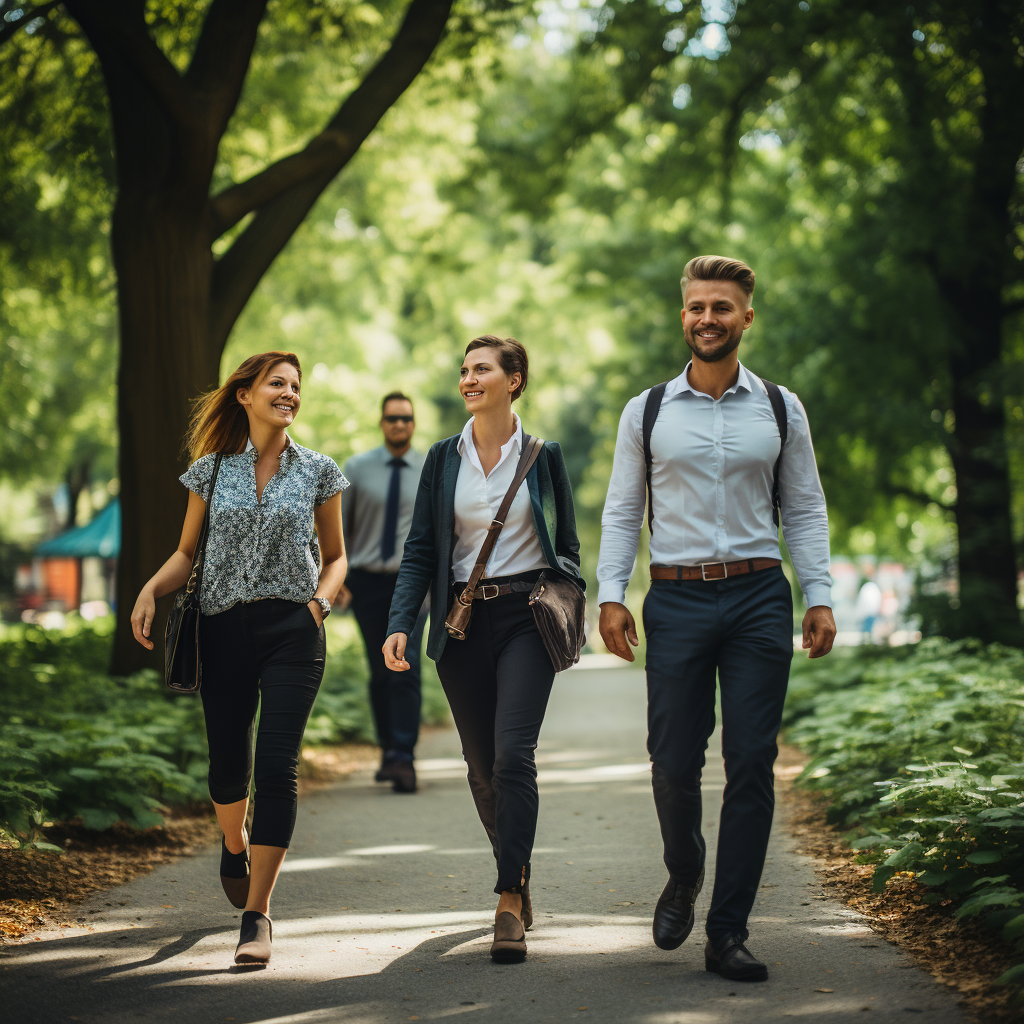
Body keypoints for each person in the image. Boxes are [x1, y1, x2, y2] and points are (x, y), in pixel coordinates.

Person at [597, 256, 836, 982]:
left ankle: (728, 929)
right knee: (672, 760)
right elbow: (621, 509)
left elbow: (803, 507)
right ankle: (684, 867)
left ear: (747, 318)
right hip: (675, 597)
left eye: (723, 308)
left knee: (752, 762)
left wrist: (818, 592)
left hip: (760, 596)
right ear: (684, 317)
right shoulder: (646, 411)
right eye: (698, 307)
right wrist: (611, 593)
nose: (709, 319)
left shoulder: (781, 408)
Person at [130, 351, 348, 966]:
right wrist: (150, 588)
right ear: (245, 396)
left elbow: (336, 557)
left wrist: (319, 606)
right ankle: (233, 842)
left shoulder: (319, 471)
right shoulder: (209, 471)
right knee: (229, 767)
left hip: (292, 631)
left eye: (295, 385)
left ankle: (258, 915)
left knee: (275, 766)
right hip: (222, 631)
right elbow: (185, 552)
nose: (289, 392)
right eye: (276, 384)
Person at [382, 335, 584, 964]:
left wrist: (567, 596)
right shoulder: (443, 459)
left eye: (482, 370)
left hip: (527, 616)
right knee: (480, 768)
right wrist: (400, 622)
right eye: (464, 370)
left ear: (513, 380)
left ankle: (505, 896)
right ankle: (519, 874)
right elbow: (420, 550)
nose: (468, 379)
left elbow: (568, 545)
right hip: (461, 622)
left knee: (512, 755)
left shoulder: (543, 456)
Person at [338, 392, 427, 793]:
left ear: (413, 423)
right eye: (392, 418)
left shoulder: (430, 468)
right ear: (381, 422)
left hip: (412, 584)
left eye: (406, 419)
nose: (399, 425)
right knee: (379, 671)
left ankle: (404, 757)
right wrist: (337, 579)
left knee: (406, 664)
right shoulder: (356, 469)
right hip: (367, 582)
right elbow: (339, 528)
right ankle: (388, 749)